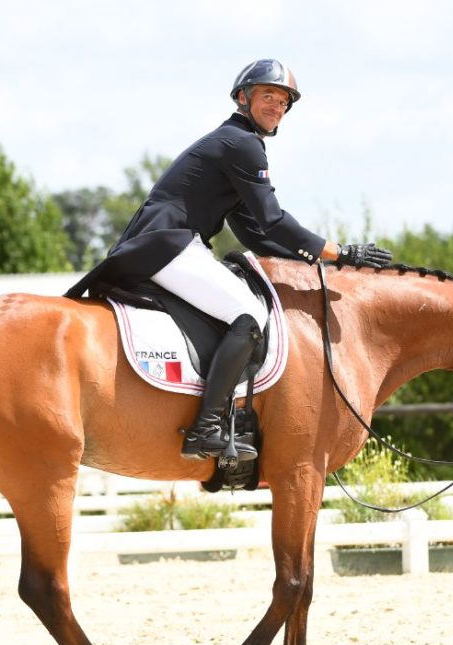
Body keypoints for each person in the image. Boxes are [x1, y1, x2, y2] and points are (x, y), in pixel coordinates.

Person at [66, 58, 392, 461]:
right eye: (268, 96)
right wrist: (340, 252)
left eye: (284, 101)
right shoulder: (243, 144)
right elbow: (273, 221)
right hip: (168, 243)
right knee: (249, 315)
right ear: (243, 98)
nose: (277, 106)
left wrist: (319, 265)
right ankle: (206, 427)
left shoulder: (235, 143)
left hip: (167, 243)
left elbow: (256, 233)